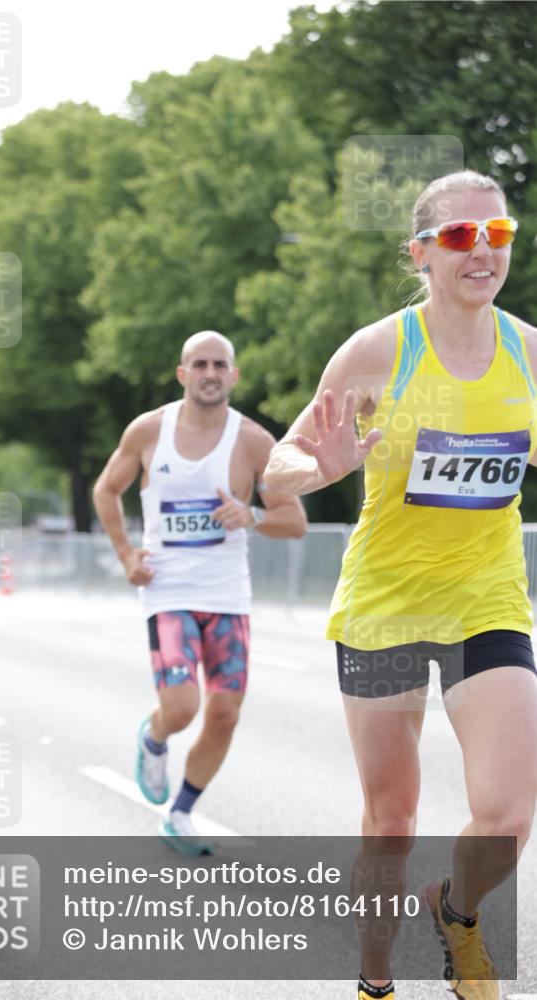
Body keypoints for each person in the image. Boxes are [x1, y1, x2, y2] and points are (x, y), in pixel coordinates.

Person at [264, 170, 537, 1000]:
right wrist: (319, 467)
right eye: (459, 237)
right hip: (384, 606)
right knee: (390, 819)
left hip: (485, 597)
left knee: (508, 810)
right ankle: (374, 980)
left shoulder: (528, 350)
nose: (481, 250)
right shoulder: (377, 350)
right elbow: (279, 470)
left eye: (498, 234)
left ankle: (454, 913)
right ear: (419, 254)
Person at [93, 330, 306, 854]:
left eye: (220, 365)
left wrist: (251, 515)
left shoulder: (255, 441)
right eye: (200, 364)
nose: (210, 373)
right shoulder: (148, 432)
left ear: (234, 375)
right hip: (167, 591)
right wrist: (126, 554)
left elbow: (295, 520)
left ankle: (182, 812)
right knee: (184, 706)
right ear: (183, 374)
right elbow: (106, 489)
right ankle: (156, 734)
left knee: (225, 713)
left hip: (228, 596)